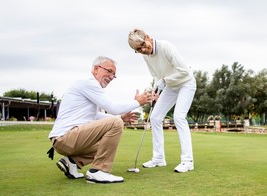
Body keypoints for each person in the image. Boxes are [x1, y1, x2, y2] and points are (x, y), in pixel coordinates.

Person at [48, 56, 151, 184]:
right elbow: (112, 107)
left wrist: (121, 117)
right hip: (65, 137)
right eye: (109, 71)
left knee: (107, 144)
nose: (112, 77)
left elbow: (94, 116)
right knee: (115, 124)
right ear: (96, 69)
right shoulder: (88, 82)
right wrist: (137, 102)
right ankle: (99, 172)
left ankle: (71, 162)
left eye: (114, 74)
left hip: (65, 140)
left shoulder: (88, 85)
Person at [128, 28, 197, 173]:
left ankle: (187, 161)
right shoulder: (145, 56)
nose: (142, 50)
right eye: (138, 50)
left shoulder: (166, 47)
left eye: (142, 45)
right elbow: (155, 75)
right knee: (155, 117)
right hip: (170, 86)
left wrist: (165, 80)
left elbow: (185, 71)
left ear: (147, 37)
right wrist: (157, 91)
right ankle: (159, 158)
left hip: (186, 83)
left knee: (179, 117)